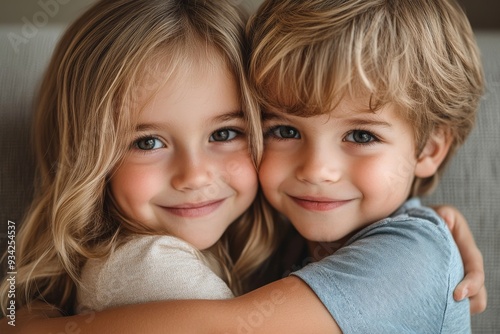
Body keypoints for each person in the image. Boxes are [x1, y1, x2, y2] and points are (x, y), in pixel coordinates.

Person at [0, 0, 487, 332]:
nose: (317, 169)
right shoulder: (284, 231)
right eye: (285, 131)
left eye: (361, 136)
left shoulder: (410, 252)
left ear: (429, 150)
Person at [0, 0, 277, 316]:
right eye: (148, 142)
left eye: (224, 134)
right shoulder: (150, 268)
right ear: (88, 159)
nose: (195, 175)